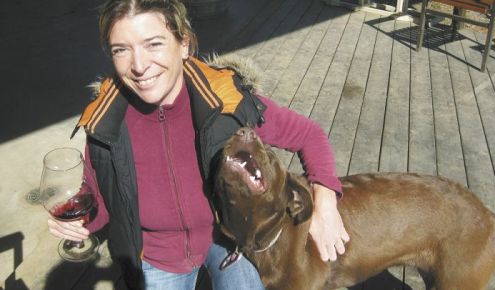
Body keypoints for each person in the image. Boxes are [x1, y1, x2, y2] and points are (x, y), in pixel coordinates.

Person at [47, 0, 350, 289]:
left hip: (229, 239)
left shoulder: (227, 101)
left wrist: (325, 204)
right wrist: (80, 222)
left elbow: (309, 135)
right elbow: (100, 204)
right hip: (157, 256)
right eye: (121, 50)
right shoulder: (105, 124)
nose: (139, 65)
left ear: (184, 45)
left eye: (154, 44)